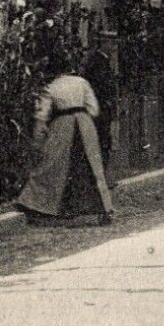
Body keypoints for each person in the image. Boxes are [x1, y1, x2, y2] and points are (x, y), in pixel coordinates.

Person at [17, 70, 114, 225]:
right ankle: (103, 208)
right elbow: (94, 109)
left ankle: (43, 207)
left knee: (53, 165)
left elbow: (41, 116)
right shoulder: (81, 82)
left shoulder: (50, 87)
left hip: (63, 126)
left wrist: (38, 139)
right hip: (85, 125)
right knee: (92, 166)